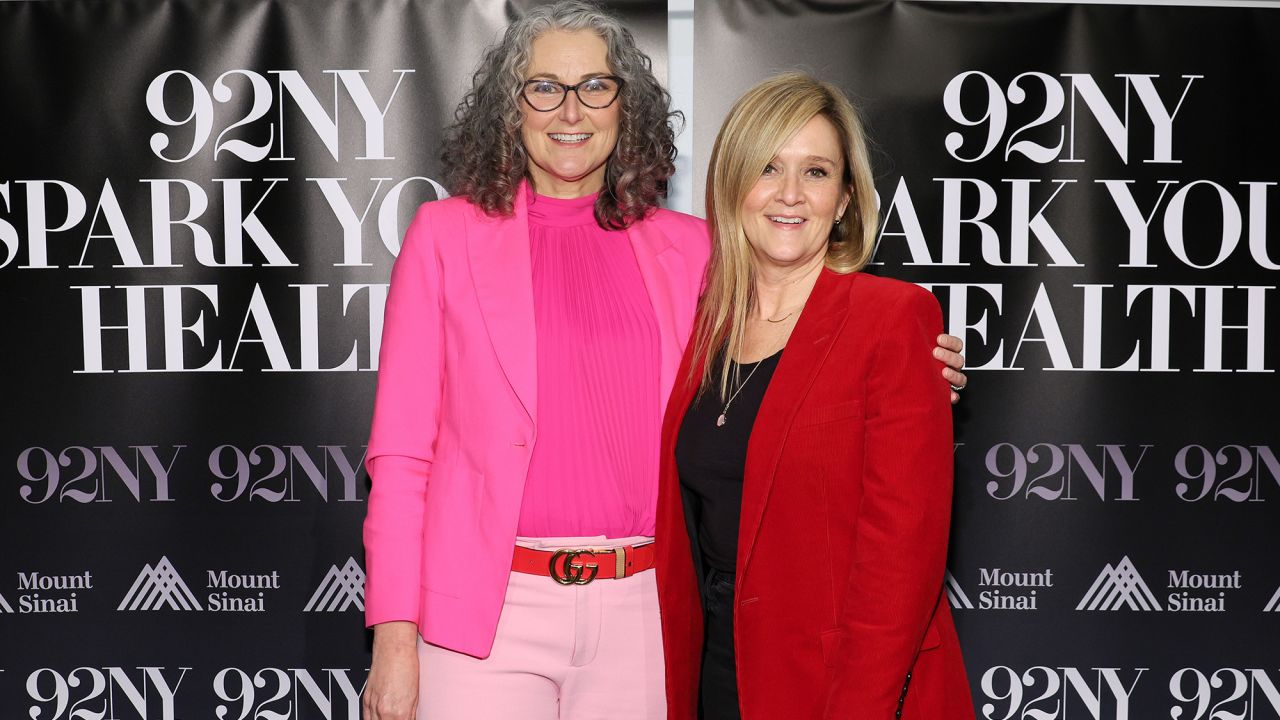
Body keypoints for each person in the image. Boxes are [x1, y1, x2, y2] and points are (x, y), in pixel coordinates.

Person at [361, 4, 968, 719]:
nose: (571, 109)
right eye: (544, 87)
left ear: (627, 106)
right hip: (483, 618)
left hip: (643, 613)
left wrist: (920, 367)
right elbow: (402, 457)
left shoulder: (695, 250)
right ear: (509, 104)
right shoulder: (444, 238)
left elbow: (799, 332)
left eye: (596, 86)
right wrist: (393, 641)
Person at [655, 73, 975, 720]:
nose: (791, 195)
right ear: (732, 184)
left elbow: (901, 562)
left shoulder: (892, 319)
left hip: (844, 686)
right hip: (717, 674)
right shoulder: (704, 325)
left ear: (847, 198)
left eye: (817, 172)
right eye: (769, 167)